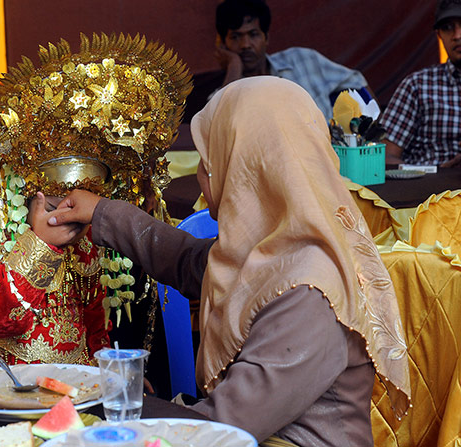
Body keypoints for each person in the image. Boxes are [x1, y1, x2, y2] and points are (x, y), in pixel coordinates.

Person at [49, 77, 410, 446]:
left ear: (245, 167)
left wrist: (118, 416)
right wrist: (104, 213)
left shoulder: (310, 291)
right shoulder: (279, 246)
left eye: (209, 163)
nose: (204, 180)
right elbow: (189, 261)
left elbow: (225, 424)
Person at [0, 33, 192, 375]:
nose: (67, 212)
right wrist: (41, 245)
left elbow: (94, 324)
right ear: (27, 193)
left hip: (79, 390)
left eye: (81, 201)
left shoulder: (86, 246)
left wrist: (109, 370)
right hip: (9, 393)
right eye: (56, 200)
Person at [211, 0, 369, 120]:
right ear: (223, 45)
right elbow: (215, 129)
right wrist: (234, 66)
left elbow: (356, 82)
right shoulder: (219, 98)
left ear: (266, 38)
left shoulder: (303, 60)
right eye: (235, 37)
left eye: (253, 35)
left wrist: (374, 136)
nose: (245, 45)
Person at [379, 0, 461, 166]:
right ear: (439, 35)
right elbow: (384, 158)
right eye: (447, 27)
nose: (457, 35)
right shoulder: (417, 85)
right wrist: (434, 171)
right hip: (429, 188)